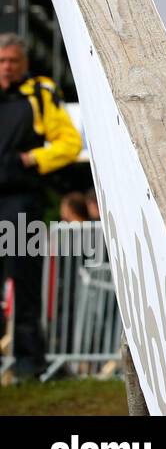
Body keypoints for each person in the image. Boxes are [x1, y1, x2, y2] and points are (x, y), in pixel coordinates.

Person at [0, 33, 83, 380]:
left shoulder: (39, 93)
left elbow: (70, 142)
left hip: (22, 201)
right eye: (1, 61)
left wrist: (33, 158)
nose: (6, 67)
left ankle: (29, 364)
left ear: (24, 63)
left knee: (26, 281)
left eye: (13, 61)